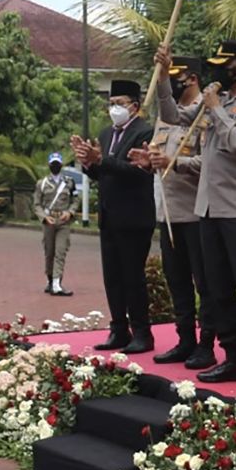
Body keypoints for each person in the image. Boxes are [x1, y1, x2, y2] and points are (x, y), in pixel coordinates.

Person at [145, 40, 236, 395]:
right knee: (217, 287)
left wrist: (215, 110)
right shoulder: (217, 101)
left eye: (228, 63)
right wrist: (163, 77)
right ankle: (233, 356)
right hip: (207, 208)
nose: (219, 68)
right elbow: (174, 117)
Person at [130, 56, 217, 369]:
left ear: (192, 78)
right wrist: (146, 160)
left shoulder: (207, 113)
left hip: (196, 213)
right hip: (168, 214)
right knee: (176, 281)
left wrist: (173, 164)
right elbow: (160, 155)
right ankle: (185, 339)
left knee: (203, 284)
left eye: (175, 76)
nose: (171, 82)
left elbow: (209, 164)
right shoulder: (168, 118)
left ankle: (207, 343)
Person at [71, 80, 156, 354]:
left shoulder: (145, 131)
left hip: (134, 216)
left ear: (134, 106)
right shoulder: (106, 134)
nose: (114, 109)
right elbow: (104, 172)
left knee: (133, 276)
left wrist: (101, 160)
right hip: (109, 215)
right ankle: (119, 329)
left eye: (119, 103)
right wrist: (88, 163)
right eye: (111, 103)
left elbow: (137, 171)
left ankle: (142, 332)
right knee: (113, 277)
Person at [33, 151, 77, 297]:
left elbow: (75, 200)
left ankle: (57, 283)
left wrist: (70, 212)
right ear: (49, 166)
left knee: (61, 251)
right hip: (49, 221)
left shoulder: (69, 182)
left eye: (58, 164)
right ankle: (50, 280)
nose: (56, 167)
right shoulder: (42, 183)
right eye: (53, 164)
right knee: (49, 252)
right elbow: (36, 204)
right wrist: (44, 217)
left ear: (61, 165)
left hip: (63, 221)